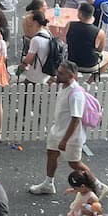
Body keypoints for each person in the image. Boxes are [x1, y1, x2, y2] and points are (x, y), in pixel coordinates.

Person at [29, 63, 94, 194]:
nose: (57, 74)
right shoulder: (64, 86)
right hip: (57, 130)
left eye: (61, 73)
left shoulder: (76, 94)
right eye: (58, 71)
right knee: (51, 154)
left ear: (72, 75)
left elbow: (76, 119)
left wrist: (65, 140)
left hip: (70, 136)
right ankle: (48, 183)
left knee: (75, 164)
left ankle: (95, 184)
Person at [65, 2, 108, 76]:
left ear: (80, 14)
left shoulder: (69, 24)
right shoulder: (100, 32)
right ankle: (90, 82)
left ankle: (74, 78)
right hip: (90, 64)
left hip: (72, 61)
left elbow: (66, 41)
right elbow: (100, 50)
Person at [16, 11, 55, 85]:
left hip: (35, 76)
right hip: (46, 74)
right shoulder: (48, 35)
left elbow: (29, 59)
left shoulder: (36, 40)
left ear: (35, 22)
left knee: (26, 93)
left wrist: (23, 62)